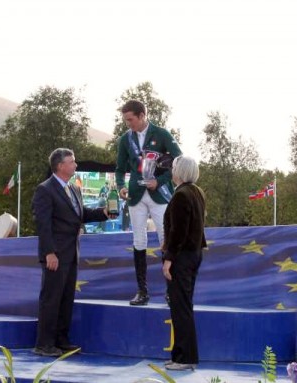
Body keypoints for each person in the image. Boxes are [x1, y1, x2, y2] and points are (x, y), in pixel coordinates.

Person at [32, 148, 109, 356]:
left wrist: (103, 213)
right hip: (55, 254)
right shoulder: (45, 190)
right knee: (51, 298)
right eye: (72, 162)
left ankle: (61, 340)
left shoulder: (74, 188)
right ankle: (44, 343)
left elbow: (80, 215)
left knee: (66, 298)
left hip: (72, 252)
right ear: (60, 166)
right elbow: (43, 224)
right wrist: (49, 252)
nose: (76, 165)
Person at [115, 99, 182, 306]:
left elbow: (179, 161)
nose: (128, 124)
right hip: (136, 195)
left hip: (159, 194)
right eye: (126, 120)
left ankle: (172, 291)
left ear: (142, 115)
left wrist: (159, 180)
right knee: (139, 240)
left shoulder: (162, 134)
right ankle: (142, 291)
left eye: (131, 119)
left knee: (166, 239)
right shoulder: (126, 139)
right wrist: (121, 187)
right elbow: (119, 169)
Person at [161, 155, 206, 370]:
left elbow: (178, 231)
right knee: (182, 306)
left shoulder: (181, 195)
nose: (172, 170)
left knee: (181, 308)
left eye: (174, 167)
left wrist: (169, 259)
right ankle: (180, 355)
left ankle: (185, 358)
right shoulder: (197, 192)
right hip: (193, 255)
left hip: (182, 257)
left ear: (181, 171)